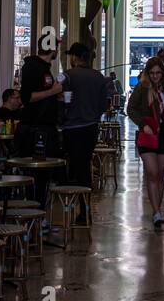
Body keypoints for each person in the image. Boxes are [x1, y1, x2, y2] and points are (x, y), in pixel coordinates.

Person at [60, 43, 111, 221]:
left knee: (73, 168)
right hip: (91, 128)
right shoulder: (99, 77)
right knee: (85, 166)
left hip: (71, 129)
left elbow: (61, 98)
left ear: (74, 57)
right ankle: (84, 207)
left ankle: (73, 207)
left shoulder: (68, 75)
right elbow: (104, 105)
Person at [127, 57, 164, 228]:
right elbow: (130, 108)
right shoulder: (142, 87)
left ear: (163, 73)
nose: (155, 76)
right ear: (147, 73)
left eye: (158, 73)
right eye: (152, 73)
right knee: (152, 172)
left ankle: (157, 209)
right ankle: (156, 211)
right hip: (147, 133)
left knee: (159, 175)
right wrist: (143, 124)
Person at [16, 34, 62, 157]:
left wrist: (57, 95)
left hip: (45, 127)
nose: (57, 51)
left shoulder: (44, 68)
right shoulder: (31, 67)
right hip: (36, 129)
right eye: (57, 48)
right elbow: (27, 97)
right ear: (52, 50)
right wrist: (54, 91)